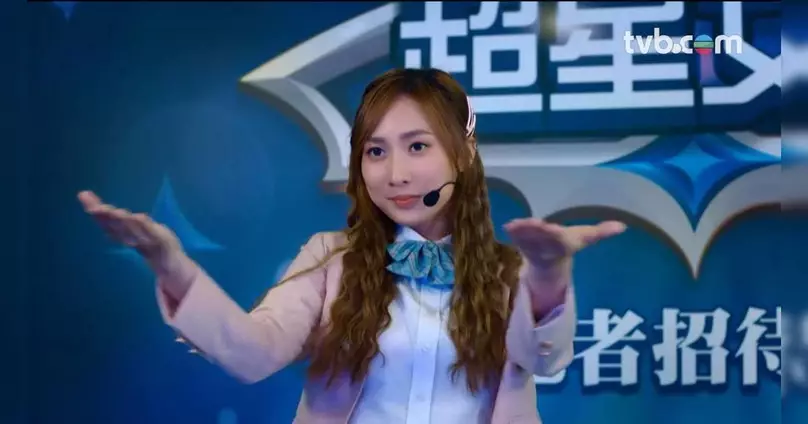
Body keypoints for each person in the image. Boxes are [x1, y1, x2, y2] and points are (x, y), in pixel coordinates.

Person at [78, 68, 626, 424]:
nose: (395, 173)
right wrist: (171, 265)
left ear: (463, 153)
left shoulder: (508, 271)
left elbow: (543, 357)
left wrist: (548, 272)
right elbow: (253, 352)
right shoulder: (329, 258)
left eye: (417, 146)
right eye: (375, 151)